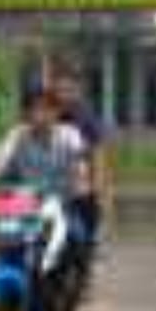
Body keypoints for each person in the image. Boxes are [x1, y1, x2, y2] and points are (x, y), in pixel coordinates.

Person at [0, 85, 89, 212]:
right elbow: (0, 163)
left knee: (76, 230)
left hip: (63, 203)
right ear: (26, 113)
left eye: (47, 109)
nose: (41, 115)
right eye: (35, 109)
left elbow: (79, 160)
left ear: (57, 112)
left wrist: (80, 178)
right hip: (25, 203)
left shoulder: (69, 134)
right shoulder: (17, 135)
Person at [51, 67, 108, 243]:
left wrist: (97, 189)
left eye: (68, 90)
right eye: (58, 90)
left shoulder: (86, 117)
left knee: (88, 213)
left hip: (77, 185)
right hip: (44, 183)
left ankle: (87, 248)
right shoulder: (44, 114)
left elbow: (97, 154)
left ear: (77, 91)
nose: (63, 96)